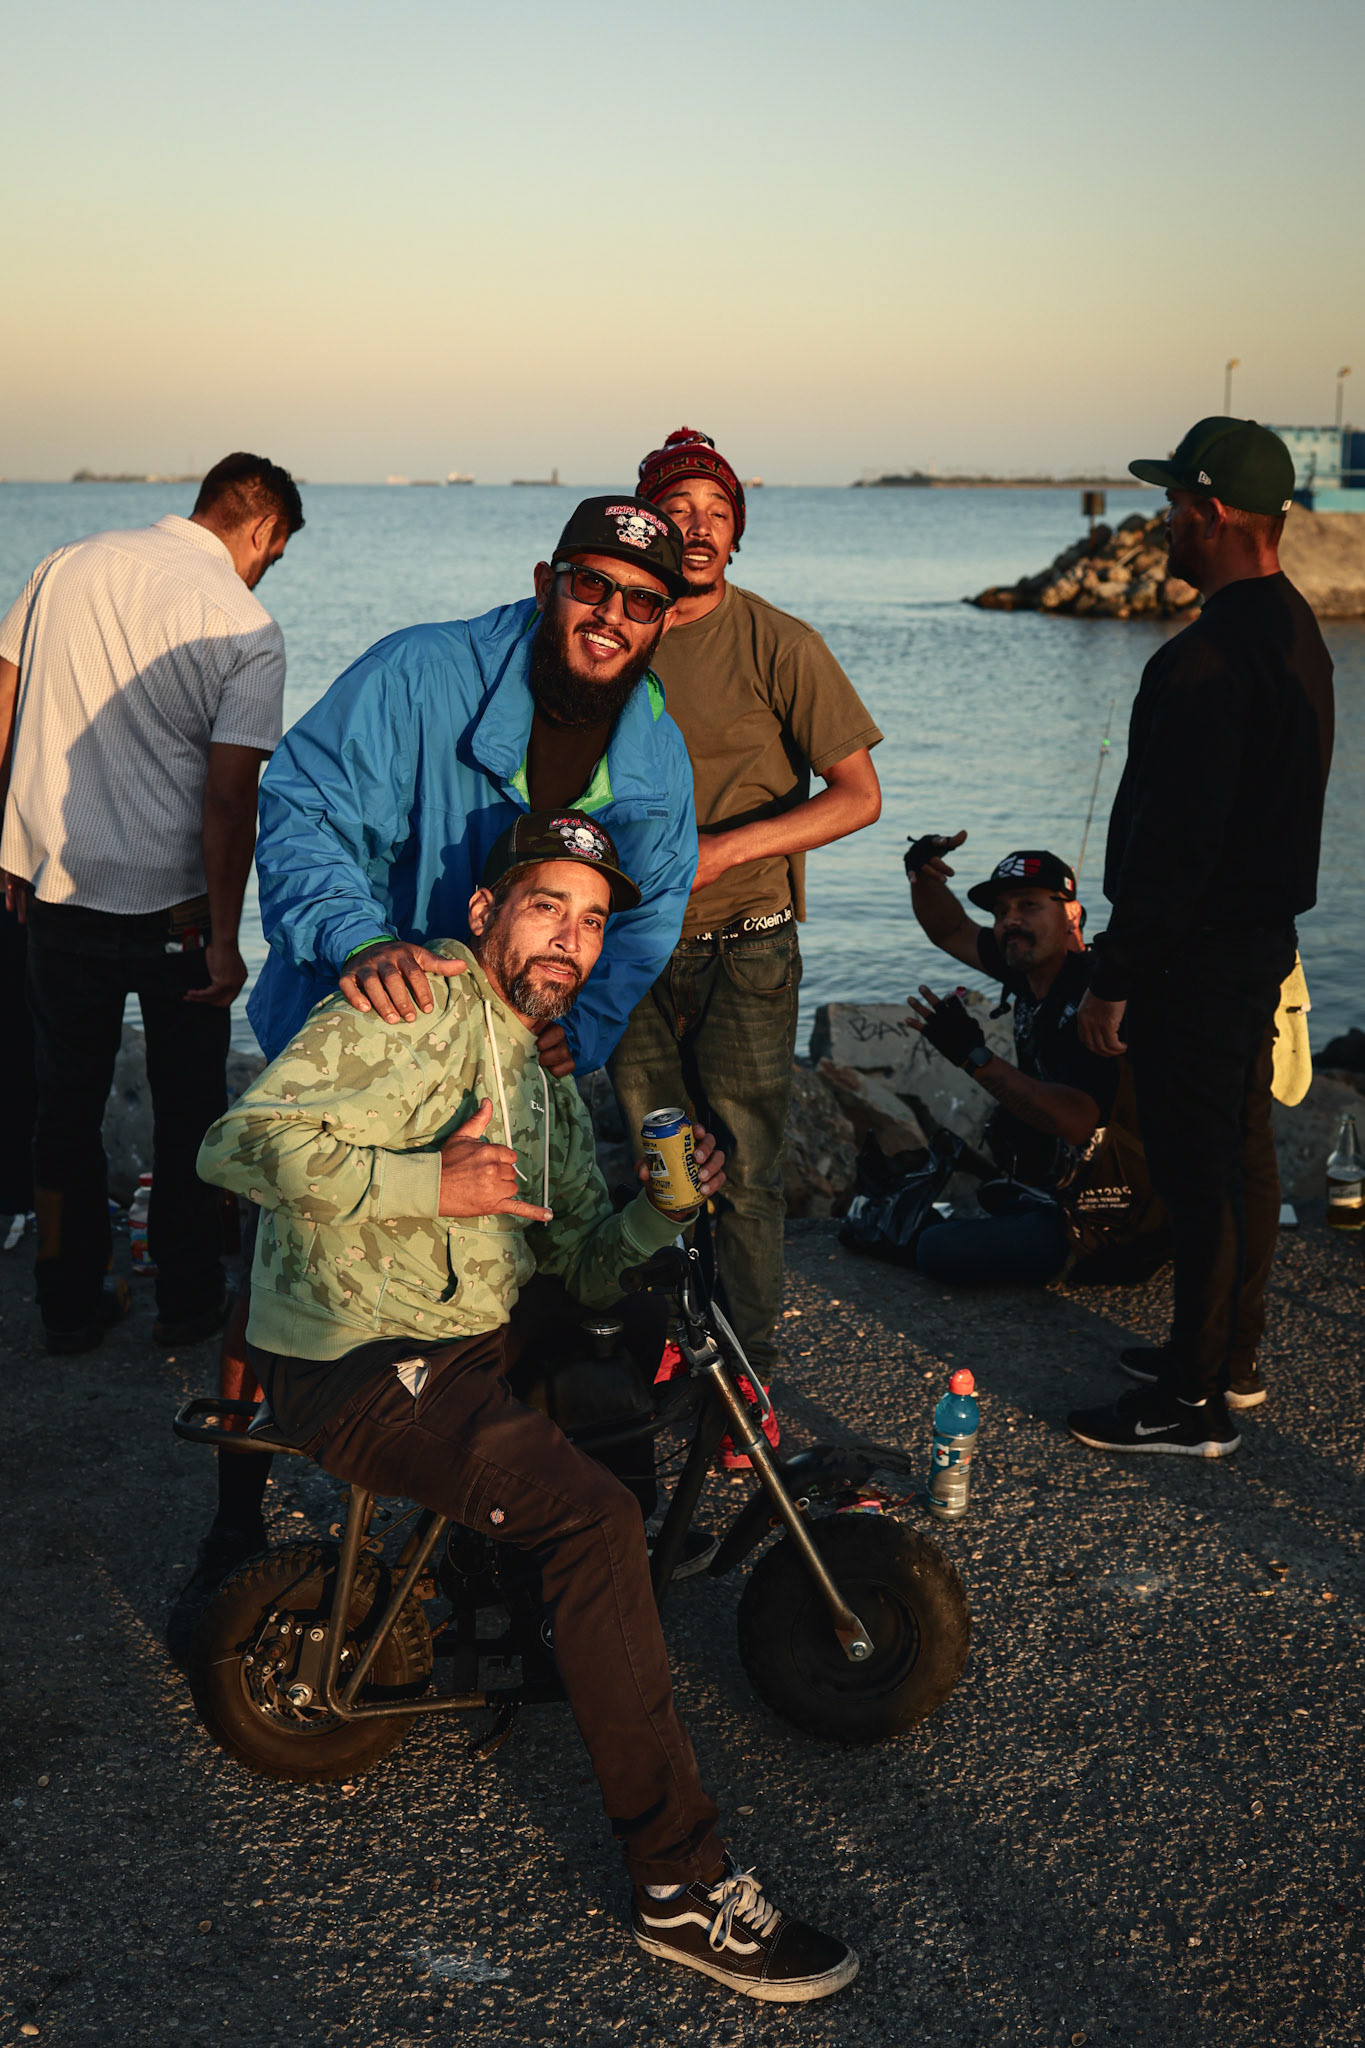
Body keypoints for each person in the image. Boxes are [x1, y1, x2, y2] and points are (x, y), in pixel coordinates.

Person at [196, 813, 858, 2004]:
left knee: (628, 1345)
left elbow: (586, 1261)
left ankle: (548, 1618)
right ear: (486, 915)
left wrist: (664, 1209)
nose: (574, 935)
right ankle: (679, 1883)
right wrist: (424, 1180)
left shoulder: (542, 1070)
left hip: (466, 1326)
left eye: (594, 919)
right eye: (547, 904)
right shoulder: (414, 1004)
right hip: (362, 1354)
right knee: (592, 1519)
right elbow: (238, 1143)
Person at [177, 494, 701, 1628]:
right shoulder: (421, 672)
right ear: (546, 578)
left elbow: (650, 915)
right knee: (288, 1252)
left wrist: (582, 1026)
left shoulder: (656, 748)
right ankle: (235, 1512)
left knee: (503, 1265)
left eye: (642, 599)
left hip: (509, 1031)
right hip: (370, 1009)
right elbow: (304, 803)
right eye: (591, 584)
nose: (611, 613)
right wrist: (359, 937)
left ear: (669, 616)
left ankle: (478, 1518)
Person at [1070, 417, 1334, 1458]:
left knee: (1198, 1170)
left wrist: (1113, 977)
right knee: (1239, 1156)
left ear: (1213, 514)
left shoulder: (1206, 662)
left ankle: (1189, 1403)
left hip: (1199, 954)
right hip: (1261, 940)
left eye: (1173, 503)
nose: (1161, 522)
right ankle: (1225, 1357)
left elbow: (1179, 847)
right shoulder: (1295, 632)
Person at [0, 452, 302, 1353]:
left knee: (65, 1104)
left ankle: (66, 1302)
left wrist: (5, 840)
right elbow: (227, 797)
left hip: (56, 894)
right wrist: (223, 937)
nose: (265, 569)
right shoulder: (244, 624)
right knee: (190, 1114)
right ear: (262, 528)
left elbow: (4, 699)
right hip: (173, 915)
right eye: (273, 553)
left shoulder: (67, 563)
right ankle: (187, 1299)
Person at [609, 428, 883, 1412]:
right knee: (665, 1167)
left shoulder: (781, 642)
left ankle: (747, 1389)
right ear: (643, 525)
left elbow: (859, 795)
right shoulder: (612, 632)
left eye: (718, 515)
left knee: (749, 1172)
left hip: (747, 942)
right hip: (627, 947)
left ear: (737, 535)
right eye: (679, 511)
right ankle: (667, 1350)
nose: (699, 529)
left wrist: (721, 851)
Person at [904, 838, 1121, 1285]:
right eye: (1001, 912)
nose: (1011, 921)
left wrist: (975, 1058)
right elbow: (951, 931)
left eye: (1029, 905)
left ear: (1072, 915)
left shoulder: (1093, 996)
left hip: (1107, 1215)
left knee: (930, 1246)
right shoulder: (1028, 971)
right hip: (1062, 1190)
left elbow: (1080, 1122)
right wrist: (920, 874)